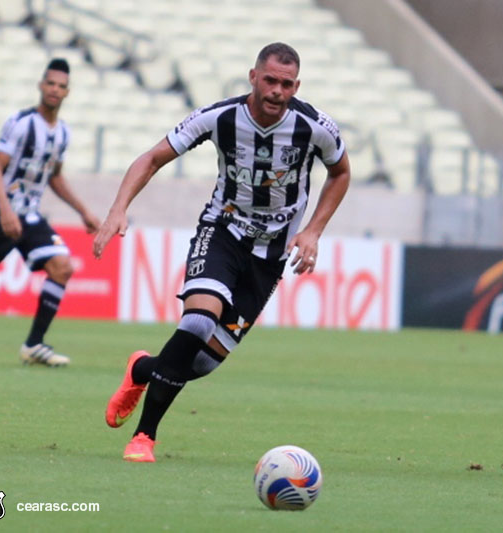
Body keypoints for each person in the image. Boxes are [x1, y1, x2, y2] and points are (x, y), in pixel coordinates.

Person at [93, 42, 351, 462]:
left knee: (201, 364)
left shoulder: (314, 126)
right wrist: (118, 208)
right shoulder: (220, 117)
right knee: (198, 321)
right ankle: (144, 437)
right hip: (223, 233)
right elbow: (152, 158)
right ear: (253, 77)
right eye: (270, 80)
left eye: (286, 84)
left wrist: (313, 230)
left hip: (270, 256)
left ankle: (141, 369)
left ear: (296, 86)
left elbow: (340, 172)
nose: (277, 91)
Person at [0, 58, 100, 367]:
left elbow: (55, 176)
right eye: (50, 83)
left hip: (29, 216)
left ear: (67, 92)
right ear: (41, 85)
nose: (54, 89)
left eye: (61, 86)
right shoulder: (21, 123)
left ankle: (34, 345)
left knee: (62, 267)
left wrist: (83, 211)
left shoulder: (62, 133)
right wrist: (5, 210)